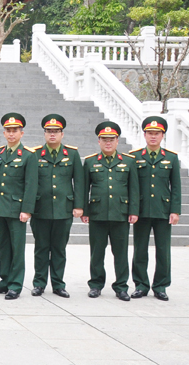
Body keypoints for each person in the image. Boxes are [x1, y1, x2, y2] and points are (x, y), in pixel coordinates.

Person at [83, 121, 139, 301]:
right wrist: (85, 210)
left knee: (121, 253)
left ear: (117, 141)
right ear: (99, 141)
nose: (108, 142)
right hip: (97, 214)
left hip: (120, 213)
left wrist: (133, 211)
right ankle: (96, 285)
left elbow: (134, 189)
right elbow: (84, 188)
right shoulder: (91, 161)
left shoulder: (129, 161)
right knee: (97, 252)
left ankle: (121, 286)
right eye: (104, 139)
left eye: (111, 139)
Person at [30, 114, 84, 298]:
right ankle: (39, 283)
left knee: (59, 249)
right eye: (49, 131)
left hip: (64, 209)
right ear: (44, 133)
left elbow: (79, 181)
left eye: (56, 131)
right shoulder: (35, 154)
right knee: (41, 248)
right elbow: (30, 183)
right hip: (41, 209)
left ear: (62, 134)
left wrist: (79, 206)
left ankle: (58, 284)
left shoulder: (72, 154)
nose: (52, 135)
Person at [0, 113, 38, 300]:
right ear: (4, 132)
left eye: (15, 131)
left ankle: (16, 284)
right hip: (0, 209)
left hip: (17, 211)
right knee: (3, 247)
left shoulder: (29, 156)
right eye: (8, 131)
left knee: (17, 248)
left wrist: (27, 209)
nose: (11, 134)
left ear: (21, 133)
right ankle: (4, 281)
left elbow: (31, 185)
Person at [132, 116, 181, 301]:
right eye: (150, 133)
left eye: (157, 134)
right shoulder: (135, 157)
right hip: (142, 211)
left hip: (163, 210)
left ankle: (160, 286)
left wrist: (175, 211)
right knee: (140, 249)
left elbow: (175, 186)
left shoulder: (171, 157)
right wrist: (133, 210)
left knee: (163, 250)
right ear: (144, 135)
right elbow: (133, 187)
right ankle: (141, 285)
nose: (153, 137)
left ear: (162, 136)